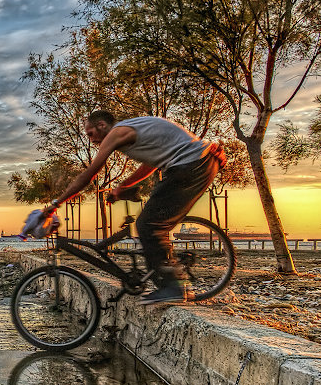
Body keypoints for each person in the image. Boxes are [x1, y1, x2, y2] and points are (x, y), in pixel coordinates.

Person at [36, 110, 224, 305]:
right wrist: (122, 187)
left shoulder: (117, 133)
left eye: (91, 133)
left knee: (149, 225)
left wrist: (56, 204)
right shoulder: (130, 131)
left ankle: (174, 286)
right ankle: (171, 283)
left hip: (190, 164)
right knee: (152, 224)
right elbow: (149, 166)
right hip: (199, 163)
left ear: (102, 125)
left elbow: (89, 174)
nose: (91, 140)